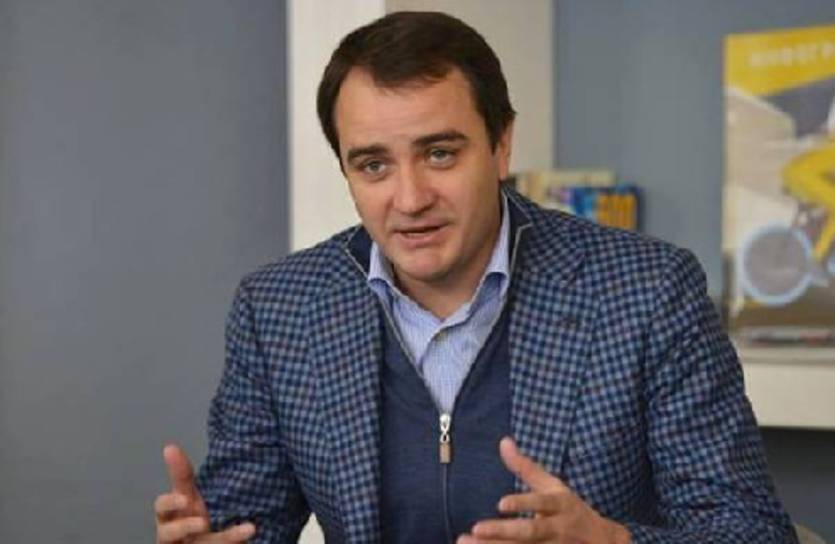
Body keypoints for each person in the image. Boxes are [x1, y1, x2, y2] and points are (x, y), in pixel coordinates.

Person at [154, 11, 797, 544]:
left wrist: (613, 542)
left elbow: (751, 531)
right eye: (374, 165)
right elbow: (247, 527)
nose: (410, 199)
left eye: (439, 154)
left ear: (501, 144)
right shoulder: (279, 310)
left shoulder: (648, 291)